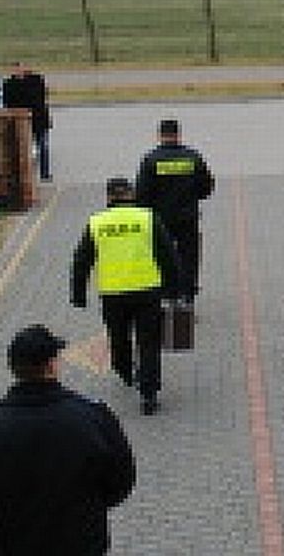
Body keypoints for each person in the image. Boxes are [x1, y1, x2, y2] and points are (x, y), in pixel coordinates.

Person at [0, 324, 136, 554]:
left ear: (14, 369)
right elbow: (121, 482)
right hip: (81, 543)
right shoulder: (93, 417)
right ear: (52, 365)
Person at [72, 177, 181, 415]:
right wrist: (175, 288)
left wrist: (78, 294)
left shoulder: (96, 222)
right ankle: (149, 395)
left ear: (109, 197)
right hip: (147, 291)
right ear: (131, 194)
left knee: (119, 337)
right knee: (149, 343)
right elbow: (168, 254)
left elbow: (82, 260)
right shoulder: (147, 217)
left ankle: (124, 371)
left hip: (113, 294)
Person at [135, 118, 214, 308]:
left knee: (162, 255)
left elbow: (142, 193)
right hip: (187, 217)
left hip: (160, 219)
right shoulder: (193, 157)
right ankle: (187, 295)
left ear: (160, 135)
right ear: (178, 134)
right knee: (189, 256)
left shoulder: (150, 160)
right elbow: (206, 187)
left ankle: (167, 293)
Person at [1, 61, 51, 181]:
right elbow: (9, 102)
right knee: (21, 148)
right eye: (14, 69)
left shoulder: (36, 80)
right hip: (20, 120)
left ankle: (44, 174)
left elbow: (40, 97)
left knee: (43, 146)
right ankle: (21, 175)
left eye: (19, 68)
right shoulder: (9, 84)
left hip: (38, 119)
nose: (17, 71)